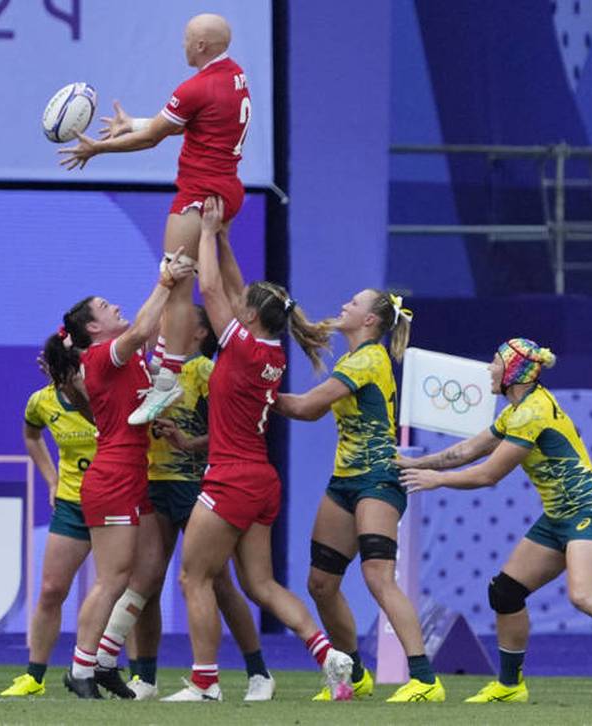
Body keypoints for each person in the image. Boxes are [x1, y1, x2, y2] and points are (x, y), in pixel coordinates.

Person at [399, 338, 592, 704]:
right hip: (558, 517)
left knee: (584, 595)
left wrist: (435, 480)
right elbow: (466, 451)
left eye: (494, 363)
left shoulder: (531, 413)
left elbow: (488, 474)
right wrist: (415, 464)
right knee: (505, 592)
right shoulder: (515, 411)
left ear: (514, 372)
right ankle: (509, 687)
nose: (488, 369)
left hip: (591, 513)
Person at [162, 196, 353, 702]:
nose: (234, 299)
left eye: (242, 301)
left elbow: (209, 286)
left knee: (193, 576)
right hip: (260, 480)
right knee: (260, 586)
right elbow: (231, 285)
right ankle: (327, 654)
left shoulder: (242, 347)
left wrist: (204, 231)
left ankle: (205, 683)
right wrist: (223, 237)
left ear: (250, 315)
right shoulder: (268, 350)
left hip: (231, 480)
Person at [58, 12, 253, 426]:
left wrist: (98, 150)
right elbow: (189, 124)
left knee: (177, 286)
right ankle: (251, 359)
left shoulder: (195, 86)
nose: (182, 45)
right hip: (228, 189)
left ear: (200, 46)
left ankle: (167, 380)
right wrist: (137, 122)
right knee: (221, 284)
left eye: (186, 39)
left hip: (198, 194)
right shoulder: (234, 76)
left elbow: (152, 138)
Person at [95, 305, 276, 701]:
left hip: (198, 486)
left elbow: (229, 435)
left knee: (222, 584)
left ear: (198, 334)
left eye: (175, 322)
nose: (164, 327)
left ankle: (258, 673)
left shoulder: (208, 373)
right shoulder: (152, 369)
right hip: (153, 484)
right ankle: (144, 678)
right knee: (148, 582)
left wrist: (186, 442)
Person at [272, 290, 445, 702]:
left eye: (354, 302)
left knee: (378, 578)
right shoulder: (351, 360)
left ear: (370, 321)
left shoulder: (369, 359)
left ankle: (424, 680)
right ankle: (354, 673)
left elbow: (307, 404)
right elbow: (312, 411)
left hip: (379, 479)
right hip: (345, 481)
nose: (345, 304)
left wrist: (250, 394)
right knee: (320, 584)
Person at [42, 252, 195, 699]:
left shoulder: (123, 357)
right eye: (106, 306)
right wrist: (165, 280)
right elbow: (146, 327)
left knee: (146, 574)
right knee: (111, 580)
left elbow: (162, 332)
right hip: (111, 479)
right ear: (93, 327)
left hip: (133, 475)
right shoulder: (101, 356)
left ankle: (106, 659)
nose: (115, 308)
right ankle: (81, 669)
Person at [0, 363, 98, 697]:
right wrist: (51, 478)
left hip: (115, 500)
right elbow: (31, 435)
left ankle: (139, 675)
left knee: (126, 589)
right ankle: (34, 676)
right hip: (72, 503)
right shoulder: (40, 402)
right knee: (52, 589)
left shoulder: (104, 397)